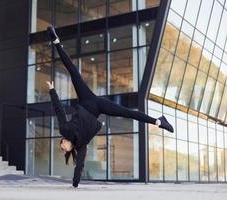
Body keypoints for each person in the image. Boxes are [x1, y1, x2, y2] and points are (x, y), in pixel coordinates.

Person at [46, 25, 174, 188]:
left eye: (61, 145)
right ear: (70, 149)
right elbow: (80, 165)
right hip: (98, 107)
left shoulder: (65, 130)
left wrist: (52, 91)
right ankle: (158, 121)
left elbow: (59, 110)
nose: (62, 146)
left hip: (86, 99)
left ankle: (56, 40)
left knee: (72, 71)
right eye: (63, 148)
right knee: (126, 112)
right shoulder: (82, 145)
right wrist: (75, 183)